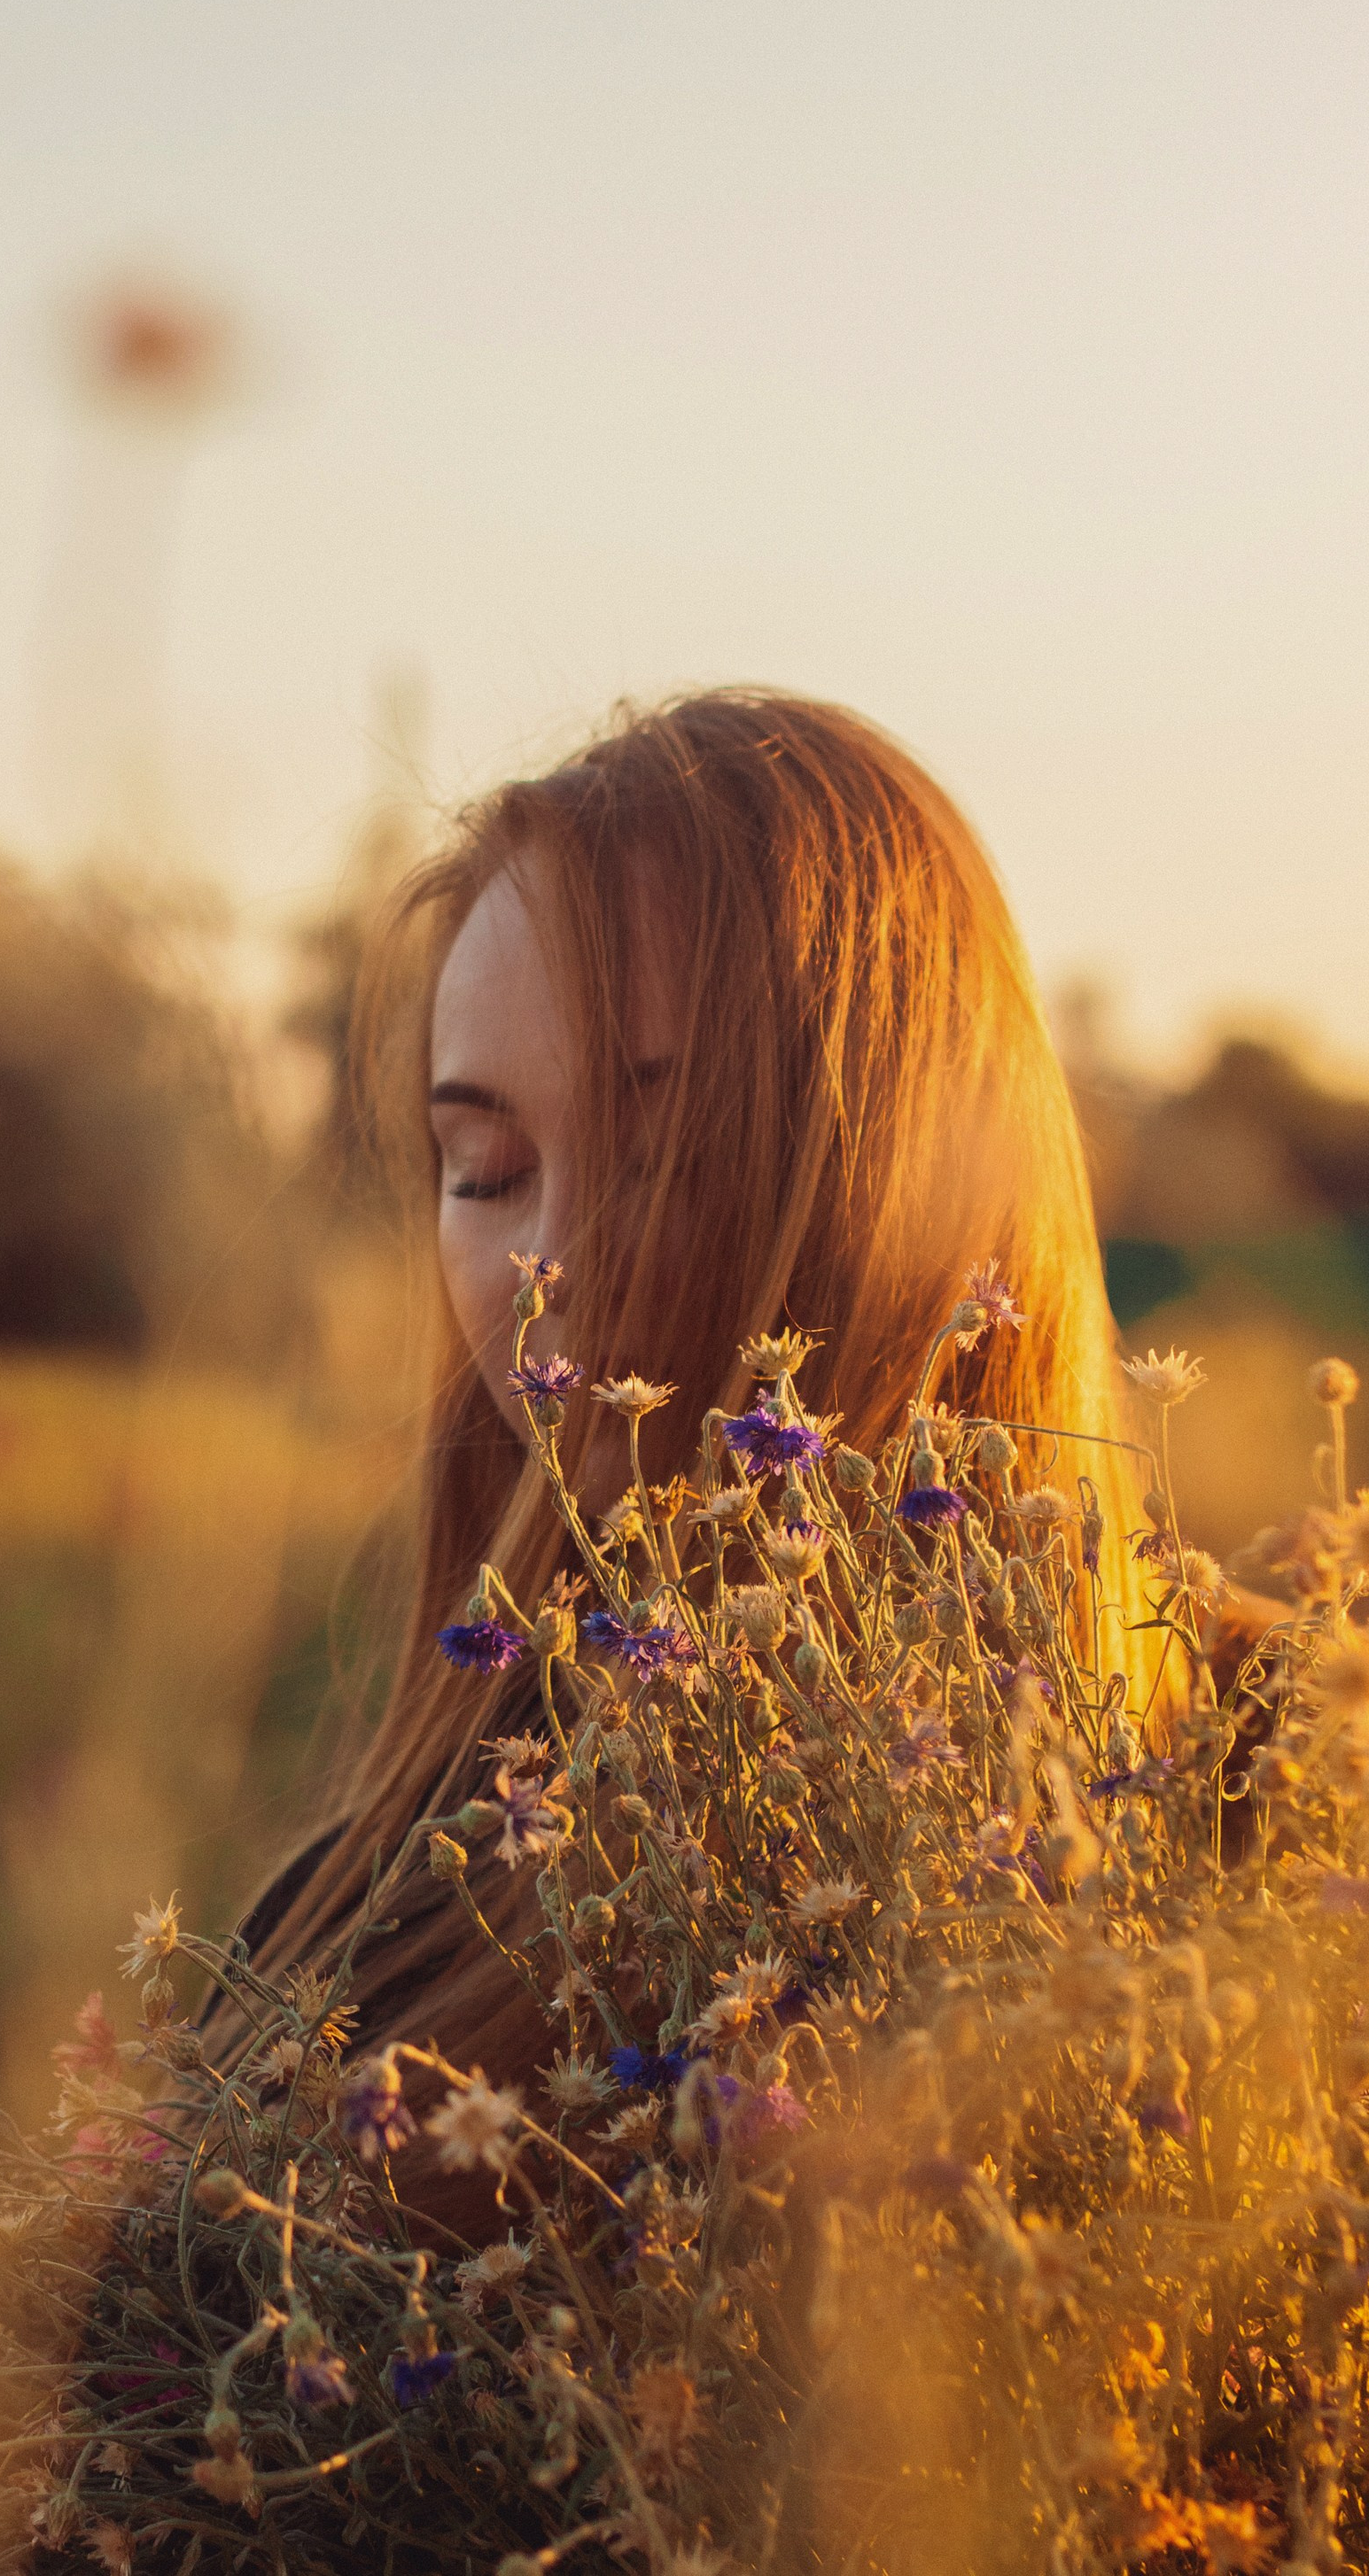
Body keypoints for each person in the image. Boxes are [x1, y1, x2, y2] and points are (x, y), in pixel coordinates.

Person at [218, 687, 1144, 2179]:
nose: (552, 1266)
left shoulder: (1270, 1814)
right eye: (486, 1168)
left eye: (669, 1152)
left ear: (920, 1170)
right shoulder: (353, 1945)